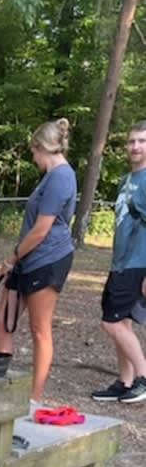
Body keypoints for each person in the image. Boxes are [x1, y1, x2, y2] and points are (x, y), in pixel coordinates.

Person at [0, 117, 77, 407]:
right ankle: (0, 389)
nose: (32, 157)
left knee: (39, 329)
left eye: (33, 152)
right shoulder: (50, 177)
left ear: (42, 147)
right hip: (27, 259)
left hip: (48, 258)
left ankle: (34, 397)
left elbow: (42, 229)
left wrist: (12, 257)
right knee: (3, 322)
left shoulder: (62, 177)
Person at [90, 121, 146, 404]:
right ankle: (124, 381)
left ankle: (143, 377)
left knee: (110, 323)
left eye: (142, 141)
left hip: (139, 262)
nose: (135, 146)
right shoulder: (126, 180)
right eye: (132, 141)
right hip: (120, 262)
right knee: (121, 322)